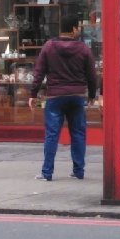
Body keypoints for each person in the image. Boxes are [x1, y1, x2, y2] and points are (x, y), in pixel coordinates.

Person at [28, 14, 97, 180]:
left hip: (55, 96)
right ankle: (78, 171)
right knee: (78, 133)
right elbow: (92, 75)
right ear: (73, 29)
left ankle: (47, 173)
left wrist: (33, 93)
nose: (79, 30)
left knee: (52, 134)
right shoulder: (83, 49)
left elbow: (39, 72)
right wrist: (92, 95)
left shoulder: (49, 46)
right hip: (76, 96)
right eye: (78, 27)